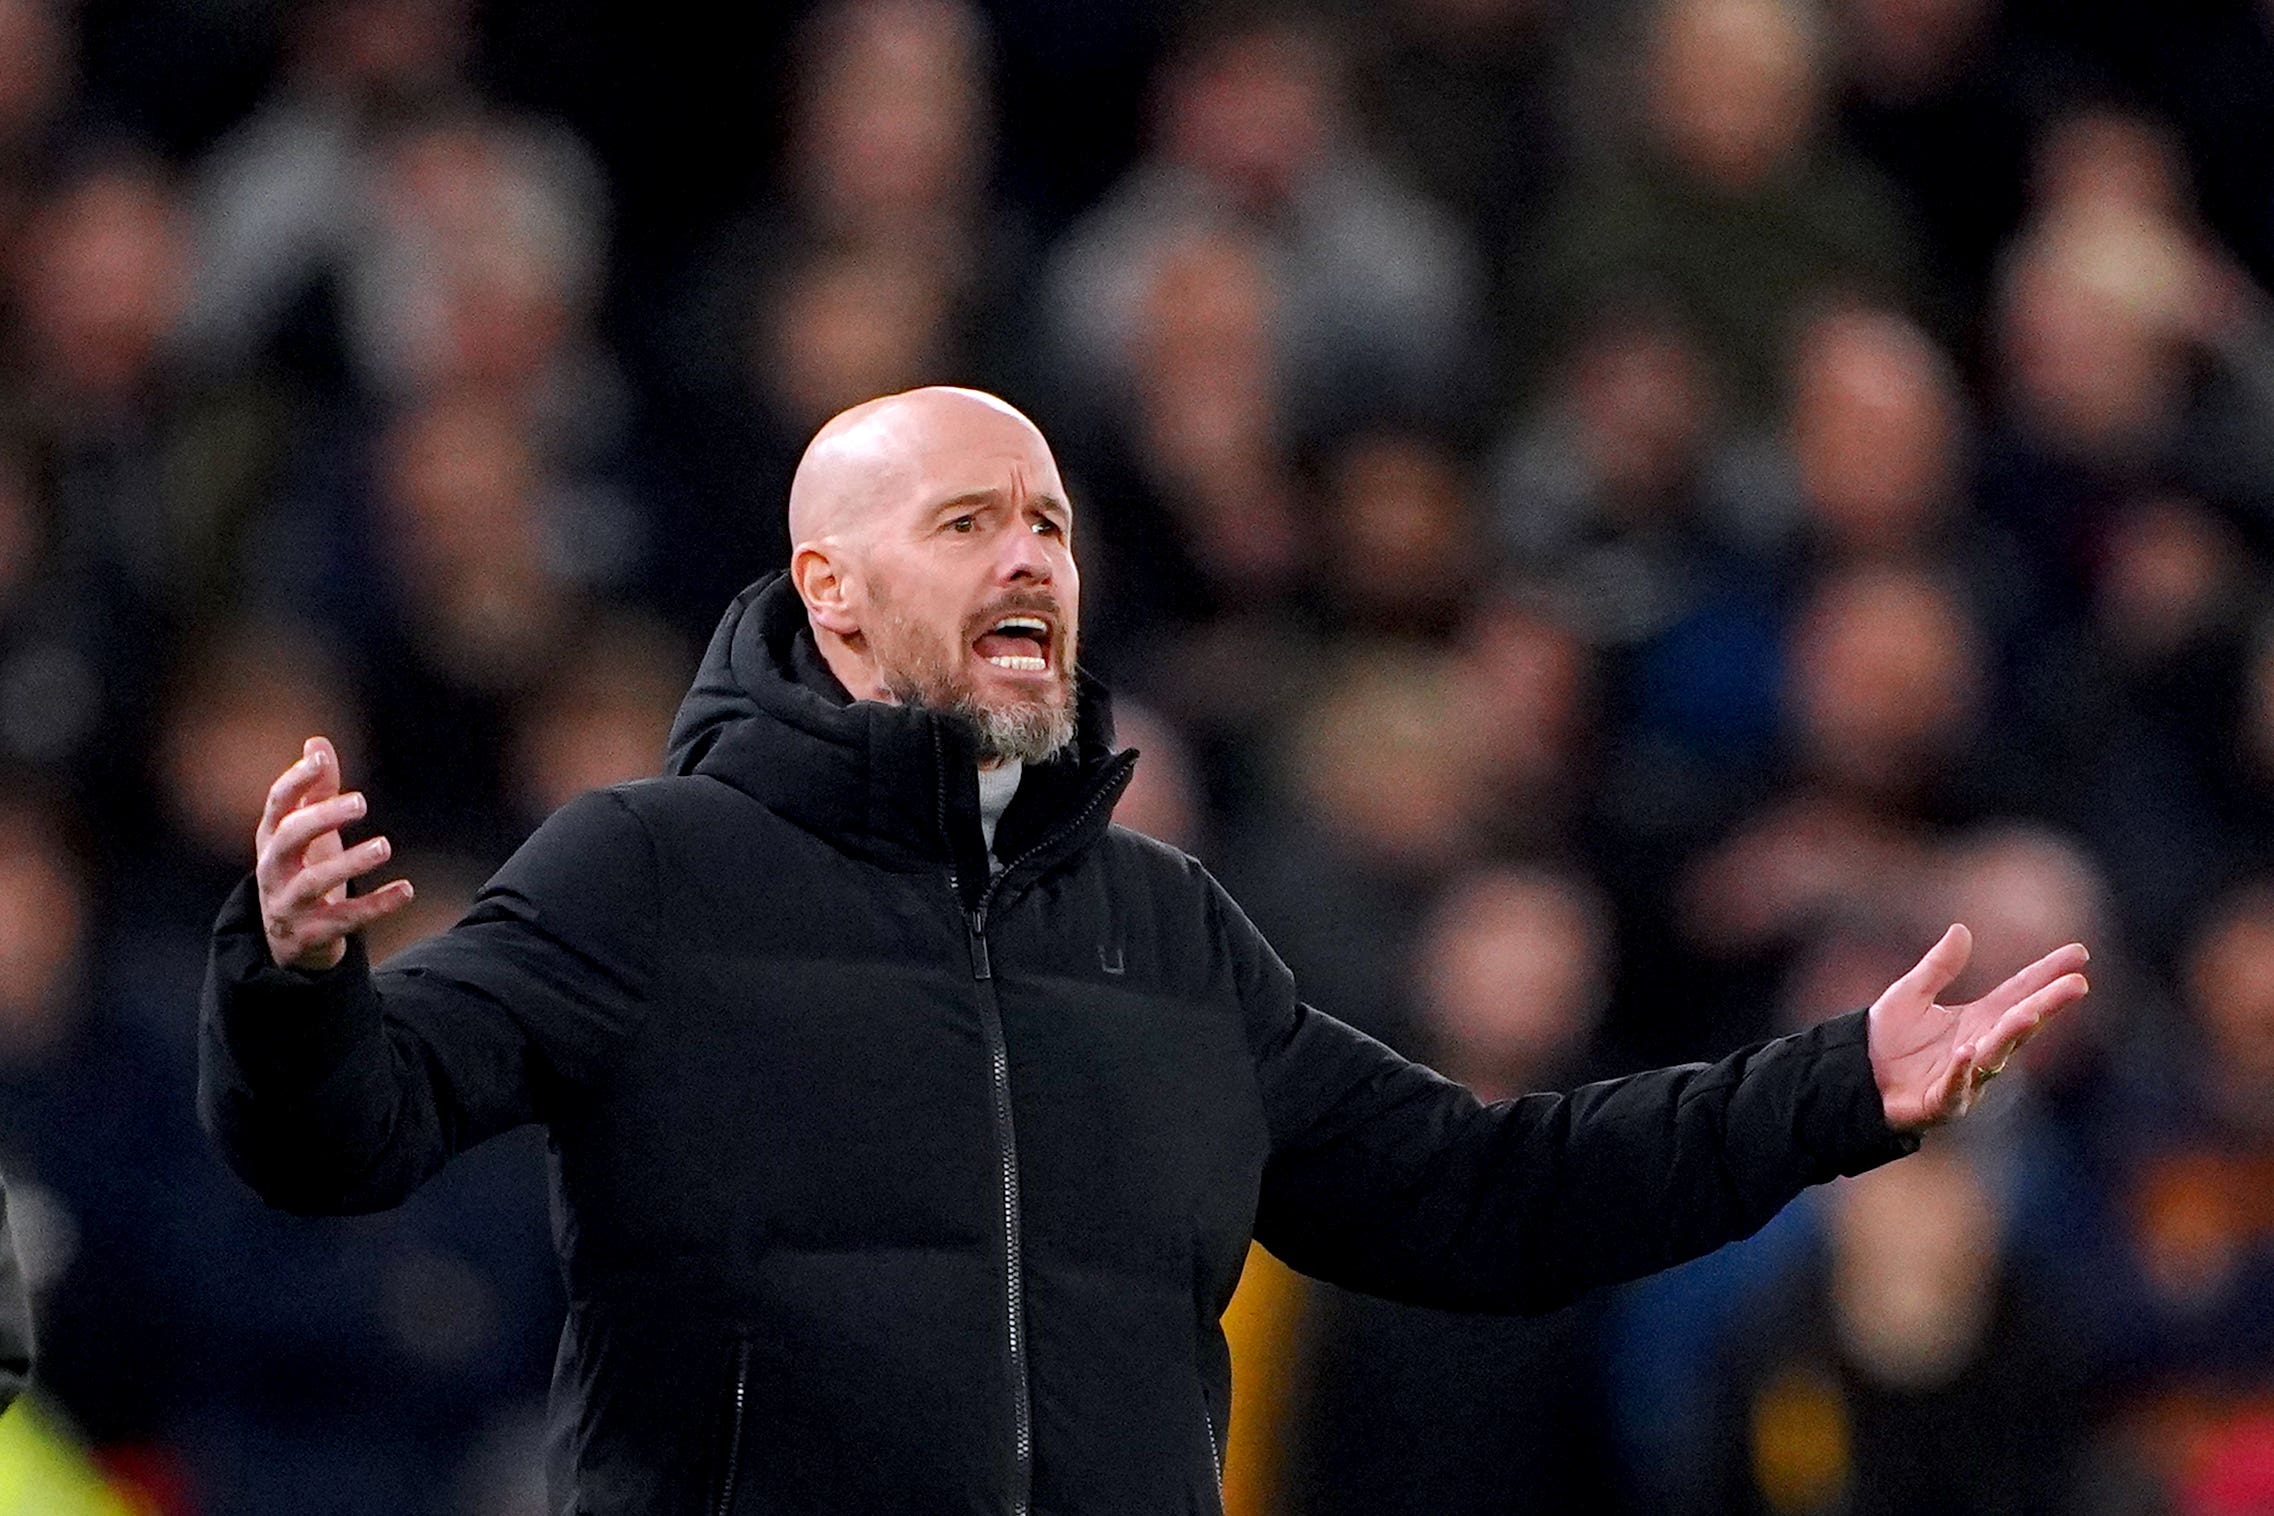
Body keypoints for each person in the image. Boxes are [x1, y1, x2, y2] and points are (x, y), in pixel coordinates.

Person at [200, 385, 2089, 1515]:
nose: (1032, 558)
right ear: (830, 598)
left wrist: (1833, 1089)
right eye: (968, 523)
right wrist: (290, 983)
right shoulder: (645, 872)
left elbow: (1484, 1197)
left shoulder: (1163, 928)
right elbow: (345, 1132)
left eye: (1050, 521)